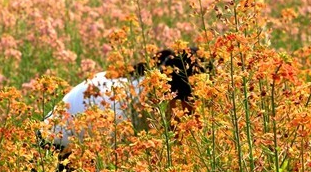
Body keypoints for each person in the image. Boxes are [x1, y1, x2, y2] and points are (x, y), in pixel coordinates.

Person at [39, 47, 206, 156]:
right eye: (192, 109)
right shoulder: (116, 105)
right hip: (52, 154)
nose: (196, 120)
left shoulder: (139, 89)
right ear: (171, 96)